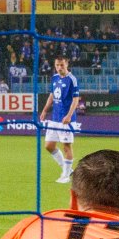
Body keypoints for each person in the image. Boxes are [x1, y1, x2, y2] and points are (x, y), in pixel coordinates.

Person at [38, 55, 81, 184]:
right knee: (49, 146)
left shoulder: (72, 80)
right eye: (57, 65)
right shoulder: (55, 78)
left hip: (66, 120)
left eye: (62, 65)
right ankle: (67, 170)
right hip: (54, 119)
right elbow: (51, 96)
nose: (59, 67)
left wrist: (69, 115)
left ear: (67, 64)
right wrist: (45, 110)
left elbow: (75, 99)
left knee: (66, 147)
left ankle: (66, 175)